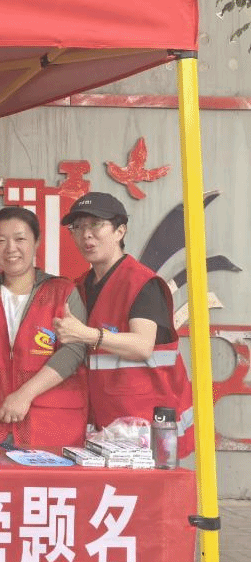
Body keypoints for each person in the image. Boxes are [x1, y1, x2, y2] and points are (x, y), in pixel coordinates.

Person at [54, 191, 194, 455]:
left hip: (144, 425)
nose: (86, 235)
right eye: (78, 227)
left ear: (120, 231)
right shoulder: (81, 286)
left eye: (96, 224)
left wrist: (86, 334)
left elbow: (142, 346)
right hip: (105, 424)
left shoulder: (142, 283)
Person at [0, 207, 88, 449]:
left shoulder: (63, 292)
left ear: (36, 242)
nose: (11, 248)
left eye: (20, 239)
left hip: (50, 424)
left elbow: (74, 351)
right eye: (1, 241)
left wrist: (25, 394)